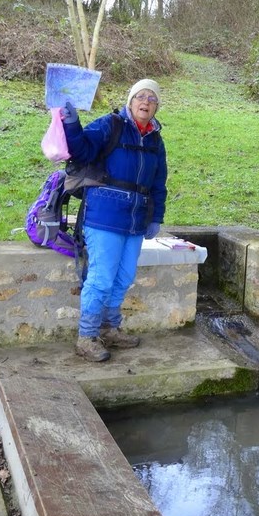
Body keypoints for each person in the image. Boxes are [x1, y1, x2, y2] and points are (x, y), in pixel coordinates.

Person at [61, 79, 168, 361]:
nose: (146, 102)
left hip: (136, 219)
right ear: (131, 100)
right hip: (104, 217)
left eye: (152, 98)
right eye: (140, 96)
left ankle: (110, 329)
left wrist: (156, 217)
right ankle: (87, 337)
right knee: (101, 279)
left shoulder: (156, 140)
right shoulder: (111, 125)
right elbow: (81, 150)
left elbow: (159, 182)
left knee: (123, 278)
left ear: (156, 106)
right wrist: (71, 124)